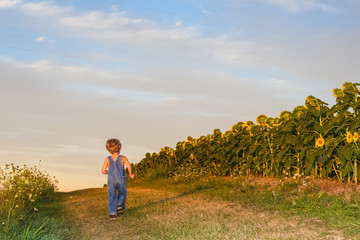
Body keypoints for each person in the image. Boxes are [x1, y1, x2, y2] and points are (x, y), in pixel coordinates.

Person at [101, 138, 135, 219]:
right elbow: (129, 166)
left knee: (111, 195)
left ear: (109, 149)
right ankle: (120, 204)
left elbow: (103, 171)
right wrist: (131, 174)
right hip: (121, 178)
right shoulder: (123, 158)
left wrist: (109, 172)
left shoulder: (107, 159)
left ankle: (112, 213)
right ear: (119, 147)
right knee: (122, 193)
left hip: (111, 180)